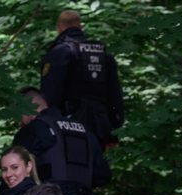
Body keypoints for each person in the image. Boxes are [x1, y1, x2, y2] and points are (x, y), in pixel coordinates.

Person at [15, 86, 111, 195]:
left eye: (19, 114)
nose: (19, 122)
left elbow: (16, 176)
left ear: (28, 106)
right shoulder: (85, 131)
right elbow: (103, 175)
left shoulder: (33, 130)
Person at [40, 9, 124, 149]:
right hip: (101, 125)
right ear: (80, 27)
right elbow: (114, 95)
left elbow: (50, 94)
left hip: (68, 126)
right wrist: (114, 130)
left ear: (58, 29)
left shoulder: (59, 53)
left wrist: (45, 127)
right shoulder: (103, 53)